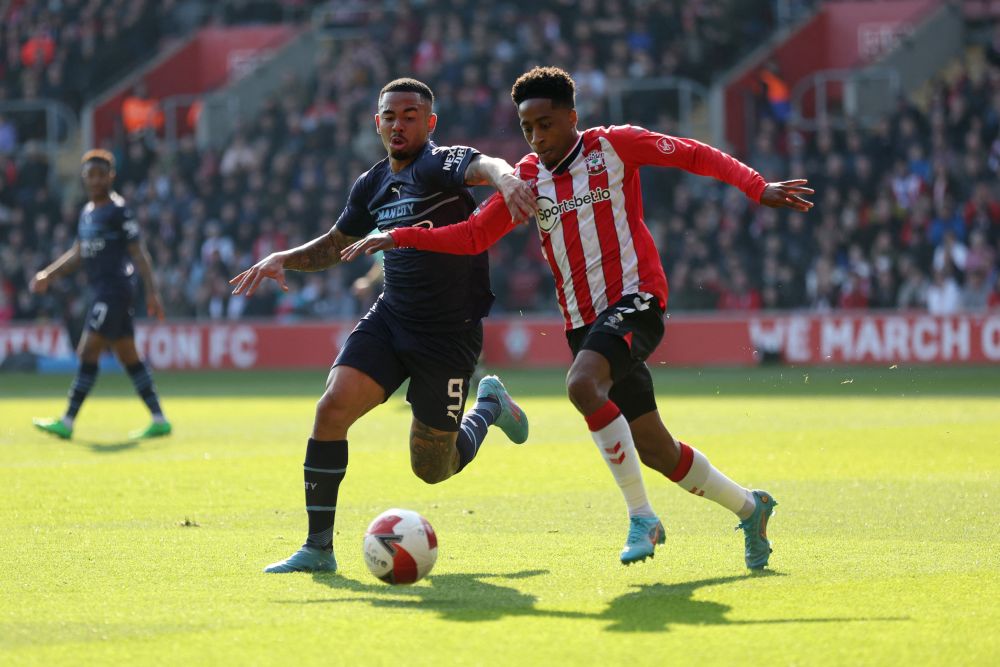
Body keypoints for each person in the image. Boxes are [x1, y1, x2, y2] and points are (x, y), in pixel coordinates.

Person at [342, 67, 814, 570]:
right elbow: (473, 236)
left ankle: (642, 517)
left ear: (572, 117)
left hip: (638, 299)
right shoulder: (526, 179)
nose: (537, 137)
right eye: (527, 128)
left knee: (582, 387)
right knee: (656, 449)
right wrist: (400, 236)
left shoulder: (614, 146)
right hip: (582, 322)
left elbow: (694, 153)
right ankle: (750, 506)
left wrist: (755, 185)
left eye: (545, 124)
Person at [230, 78, 533, 574]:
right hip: (392, 319)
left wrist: (506, 179)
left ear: (429, 123)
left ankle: (489, 407)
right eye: (390, 115)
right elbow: (334, 245)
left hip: (448, 335)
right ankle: (318, 549)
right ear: (377, 123)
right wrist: (284, 257)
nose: (399, 123)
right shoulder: (371, 185)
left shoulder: (439, 164)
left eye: (411, 115)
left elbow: (485, 164)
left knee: (432, 468)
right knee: (331, 409)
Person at [31, 149, 172, 441]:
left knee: (87, 351)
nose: (95, 180)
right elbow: (78, 254)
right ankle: (159, 419)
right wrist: (49, 274)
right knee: (128, 355)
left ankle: (67, 421)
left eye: (100, 174)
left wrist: (152, 292)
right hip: (103, 291)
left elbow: (139, 252)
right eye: (90, 175)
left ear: (111, 176)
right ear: (84, 178)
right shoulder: (87, 213)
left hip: (115, 291)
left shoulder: (119, 211)